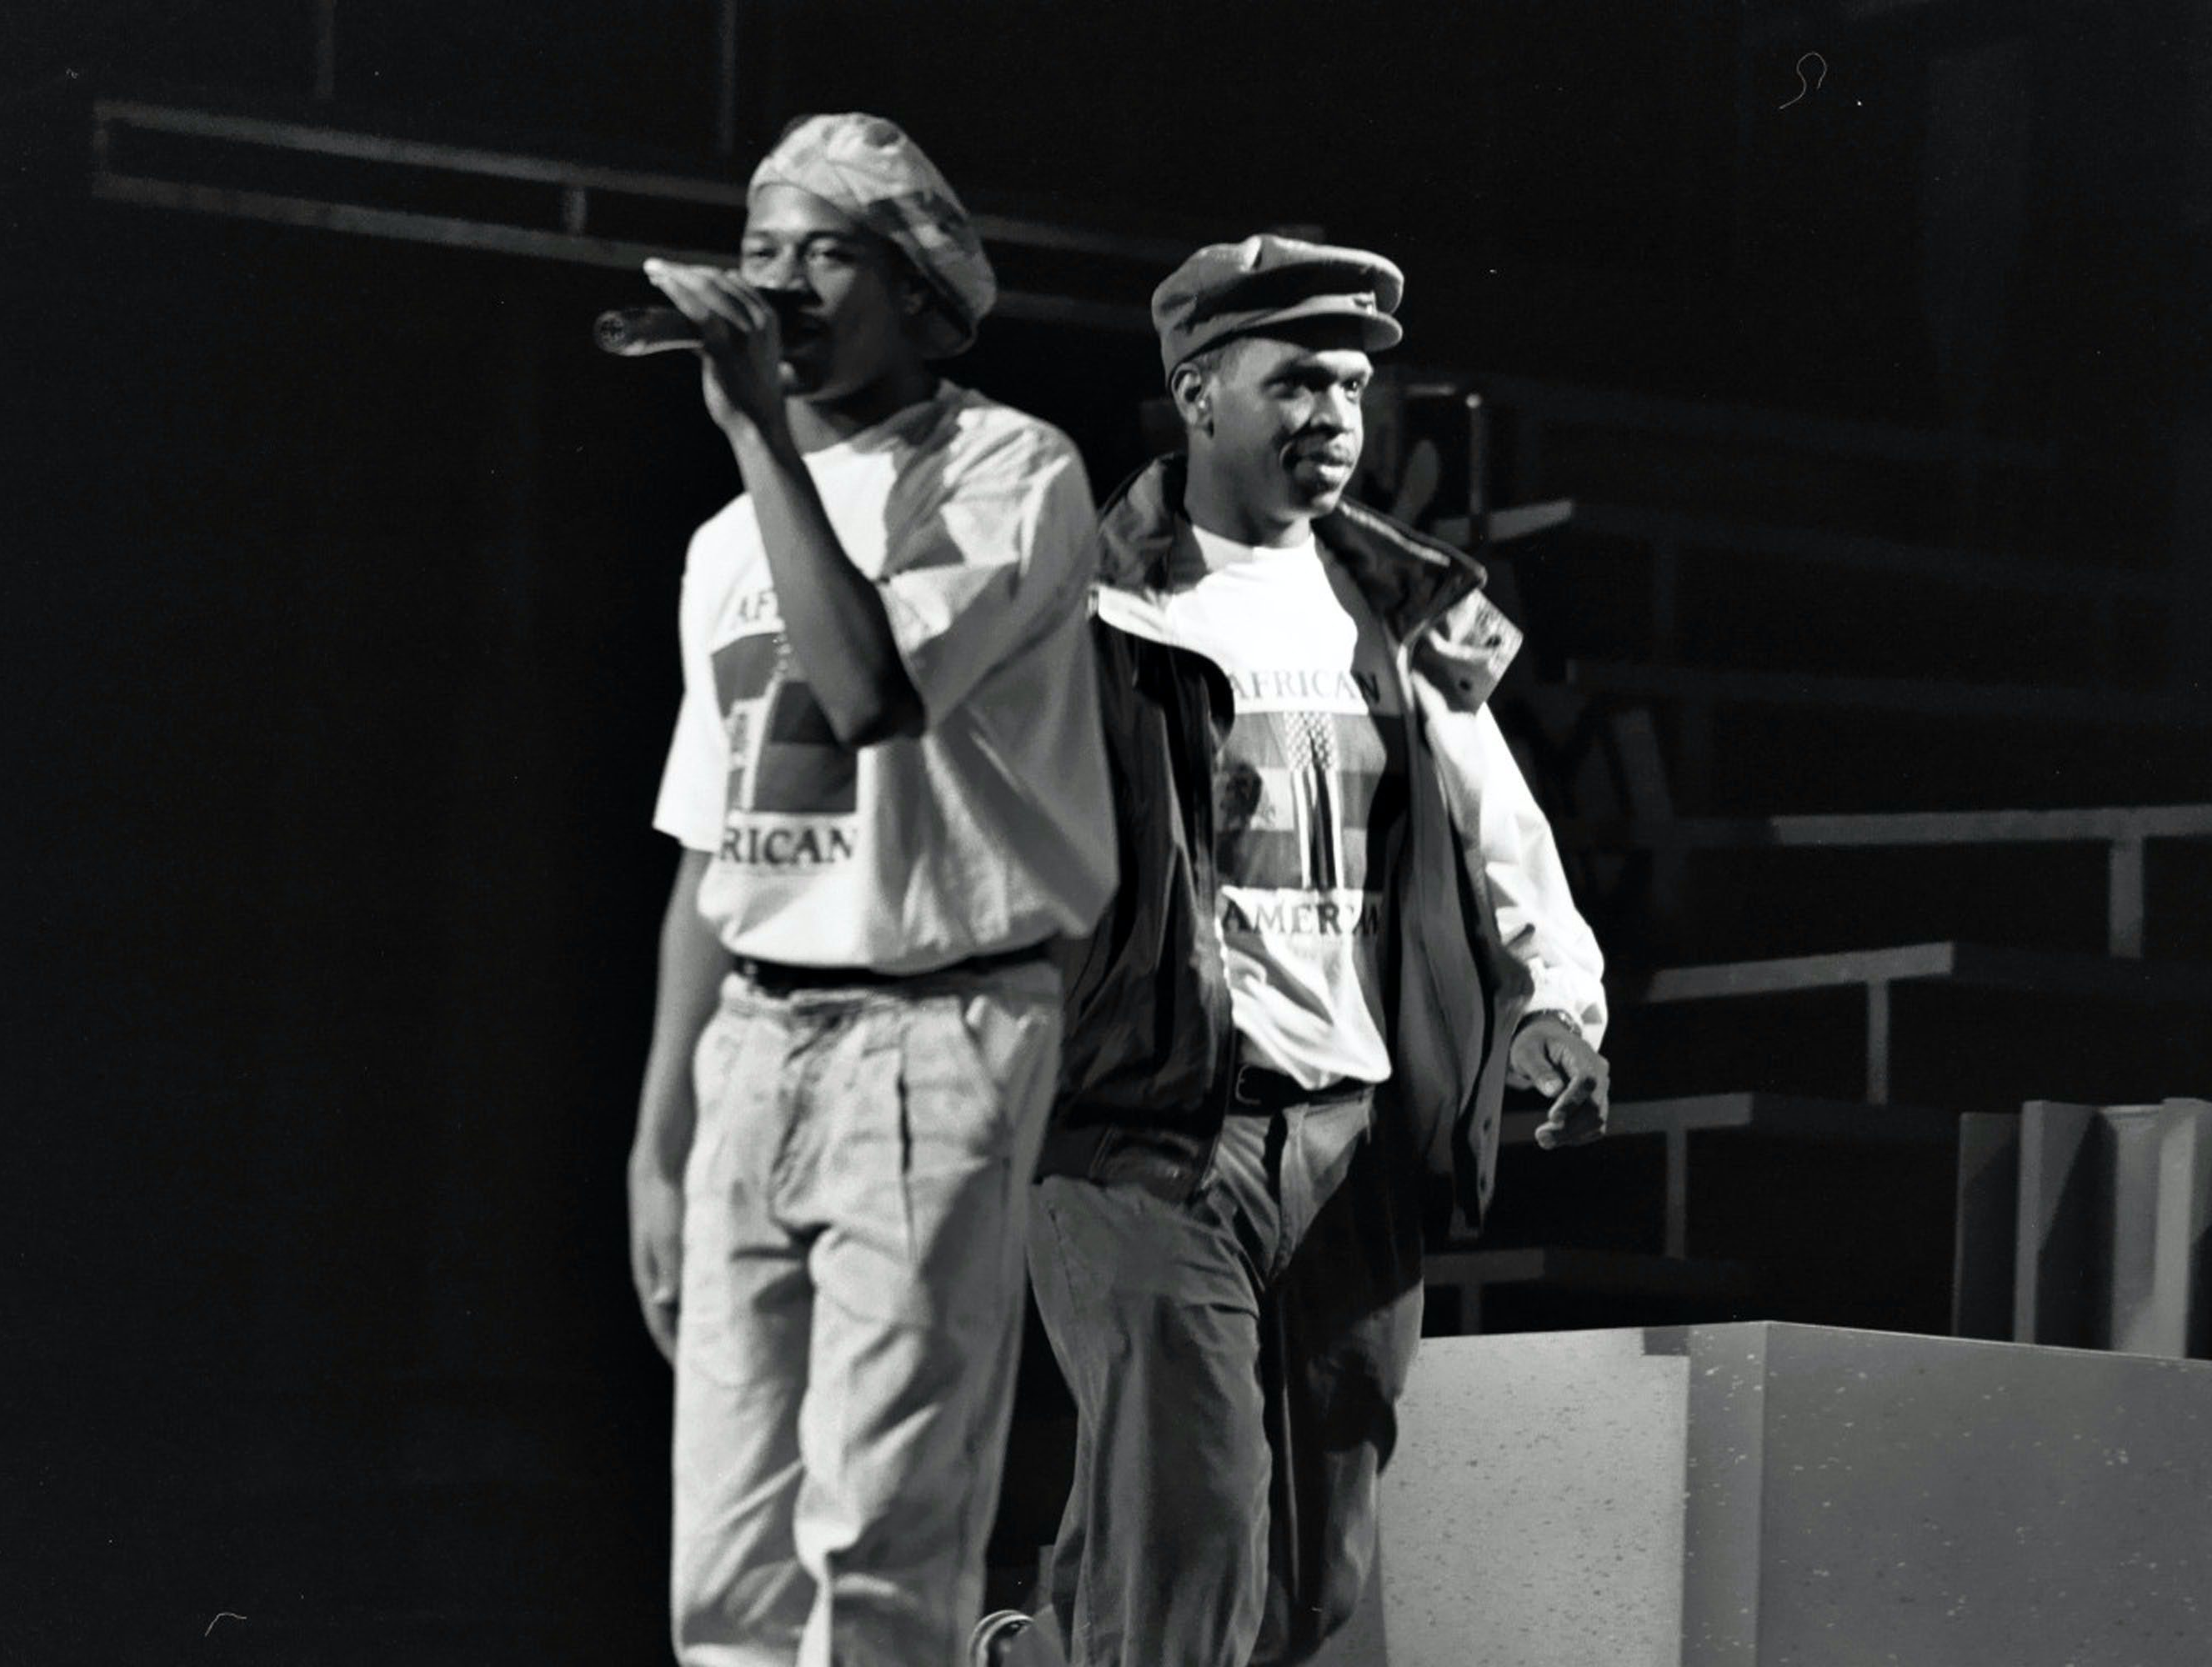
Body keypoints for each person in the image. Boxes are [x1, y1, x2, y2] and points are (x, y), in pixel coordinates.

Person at [982, 235, 1611, 1667]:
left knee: (1308, 1585)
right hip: (1139, 1134)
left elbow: (1503, 818)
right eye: (1296, 383)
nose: (1334, 415)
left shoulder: (1416, 599)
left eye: (1351, 386)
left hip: (1351, 1146)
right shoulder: (1076, 596)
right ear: (1199, 396)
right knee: (1196, 1536)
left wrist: (1554, 1004)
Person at [625, 111, 1116, 1667]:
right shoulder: (725, 541)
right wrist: (660, 1135)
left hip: (937, 1029)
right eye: (760, 252)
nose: (779, 285)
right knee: (727, 1557)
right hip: (755, 1042)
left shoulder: (1011, 469)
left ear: (918, 289)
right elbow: (712, 848)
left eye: (824, 253)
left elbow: (867, 698)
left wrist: (762, 430)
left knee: (877, 1534)